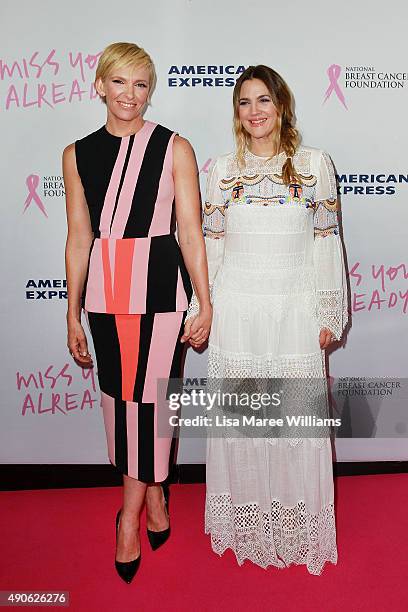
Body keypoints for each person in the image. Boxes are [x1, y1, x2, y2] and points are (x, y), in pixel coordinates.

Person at [184, 65, 348, 575]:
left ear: (281, 106)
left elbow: (327, 240)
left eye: (263, 100)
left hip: (294, 306)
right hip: (238, 309)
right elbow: (210, 245)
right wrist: (202, 306)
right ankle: (248, 522)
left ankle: (297, 525)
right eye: (243, 102)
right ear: (235, 111)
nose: (254, 112)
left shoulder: (314, 165)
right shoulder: (220, 171)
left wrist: (328, 309)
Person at [63, 42, 211, 583]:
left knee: (153, 399)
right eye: (120, 82)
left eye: (142, 84)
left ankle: (128, 515)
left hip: (162, 292)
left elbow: (190, 231)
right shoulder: (76, 153)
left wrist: (204, 299)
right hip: (104, 295)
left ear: (152, 91)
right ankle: (152, 494)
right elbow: (79, 238)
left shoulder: (175, 147)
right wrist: (73, 311)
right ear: (99, 84)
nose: (130, 95)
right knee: (120, 402)